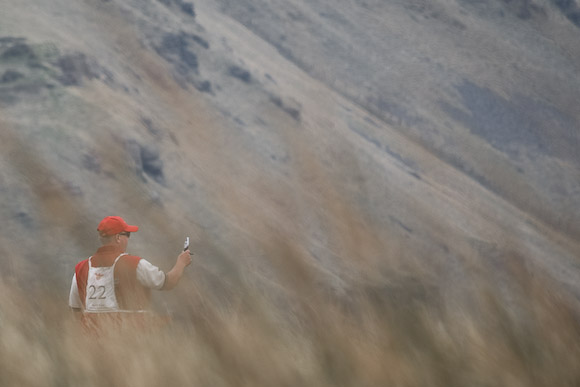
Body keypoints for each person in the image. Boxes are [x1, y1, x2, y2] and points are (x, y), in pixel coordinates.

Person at [69, 215, 192, 330]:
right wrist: (181, 262)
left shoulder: (81, 268)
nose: (128, 239)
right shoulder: (135, 264)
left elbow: (75, 309)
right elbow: (167, 282)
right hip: (130, 339)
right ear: (118, 238)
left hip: (92, 340)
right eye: (127, 234)